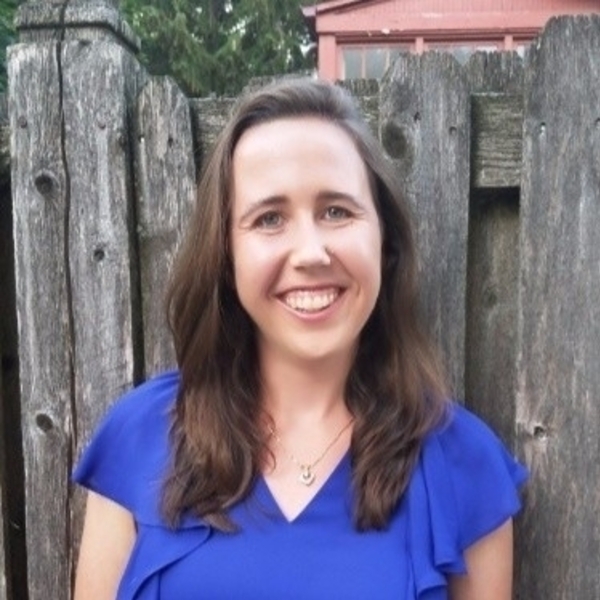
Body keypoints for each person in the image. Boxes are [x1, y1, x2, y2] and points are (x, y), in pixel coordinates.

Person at [73, 78, 527, 600]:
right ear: (227, 254)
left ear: (385, 238)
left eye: (337, 211)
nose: (310, 252)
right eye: (269, 219)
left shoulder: (465, 469)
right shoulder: (137, 440)